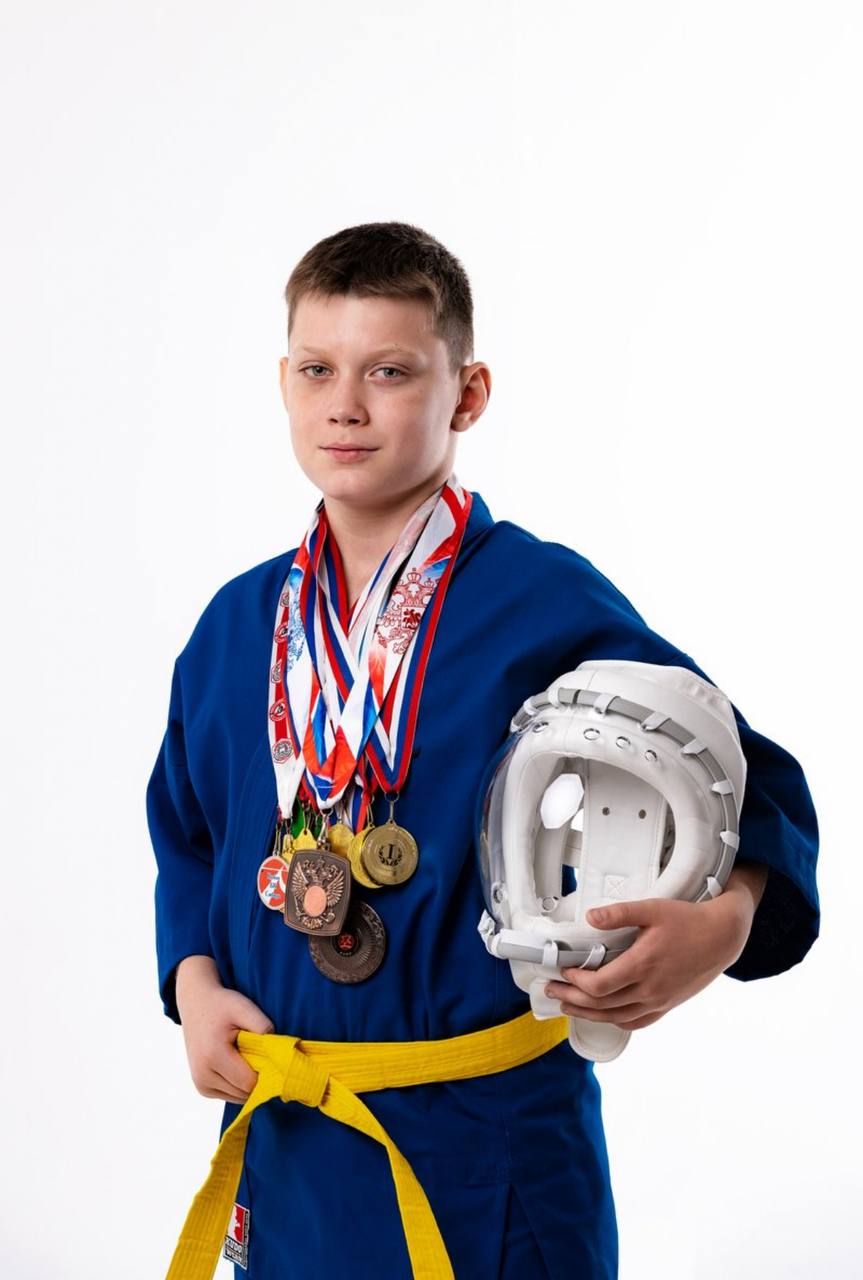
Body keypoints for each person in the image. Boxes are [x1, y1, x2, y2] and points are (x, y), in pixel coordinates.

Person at [146, 221, 820, 1280]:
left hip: (488, 1151)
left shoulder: (537, 598)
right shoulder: (235, 624)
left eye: (389, 371)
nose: (346, 404)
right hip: (290, 1135)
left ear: (466, 394)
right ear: (283, 384)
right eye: (318, 369)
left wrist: (724, 922)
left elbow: (751, 773)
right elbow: (185, 834)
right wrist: (192, 982)